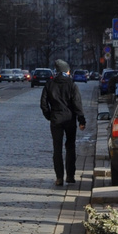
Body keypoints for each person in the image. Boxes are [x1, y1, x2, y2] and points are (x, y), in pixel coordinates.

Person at [39, 59, 87, 187]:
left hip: (56, 119)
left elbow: (43, 104)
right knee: (70, 147)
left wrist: (49, 116)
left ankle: (59, 177)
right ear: (67, 71)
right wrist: (81, 120)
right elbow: (77, 104)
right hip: (69, 119)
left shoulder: (50, 84)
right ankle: (70, 176)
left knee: (57, 149)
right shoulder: (72, 84)